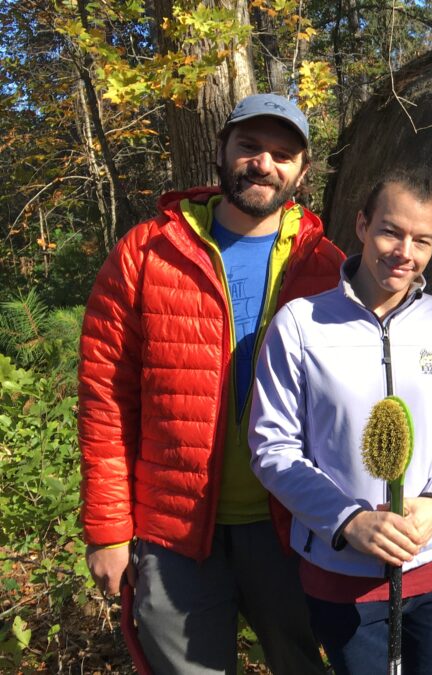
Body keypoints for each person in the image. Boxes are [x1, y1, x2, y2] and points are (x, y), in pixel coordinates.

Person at [79, 93, 343, 673]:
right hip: (174, 528)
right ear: (222, 149)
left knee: (305, 663)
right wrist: (107, 529)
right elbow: (104, 399)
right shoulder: (147, 253)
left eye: (283, 153)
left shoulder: (328, 266)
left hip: (291, 524)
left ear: (302, 170)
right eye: (249, 146)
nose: (264, 163)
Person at [248, 171, 432, 674]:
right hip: (340, 576)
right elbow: (272, 448)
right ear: (361, 224)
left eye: (422, 240)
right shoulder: (300, 324)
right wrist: (347, 520)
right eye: (391, 232)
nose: (404, 252)